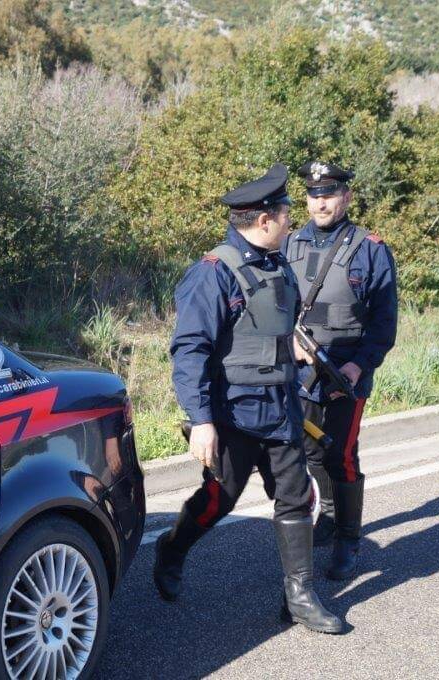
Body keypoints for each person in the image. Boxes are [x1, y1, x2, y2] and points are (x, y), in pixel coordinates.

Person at [154, 163, 343, 634]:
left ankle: (299, 596)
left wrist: (292, 347)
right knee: (221, 497)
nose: (291, 218)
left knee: (295, 498)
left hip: (281, 407)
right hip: (232, 414)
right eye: (284, 212)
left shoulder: (278, 264)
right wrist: (201, 420)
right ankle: (172, 548)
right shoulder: (211, 274)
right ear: (264, 221)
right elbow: (190, 350)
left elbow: (274, 323)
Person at [284, 160, 397, 580]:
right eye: (314, 195)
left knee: (342, 456)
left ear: (346, 197)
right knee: (310, 450)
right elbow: (276, 308)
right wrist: (285, 342)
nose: (321, 202)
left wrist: (358, 365)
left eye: (329, 194)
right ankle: (328, 513)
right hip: (299, 374)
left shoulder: (370, 249)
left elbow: (384, 324)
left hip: (344, 376)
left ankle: (348, 539)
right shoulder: (289, 244)